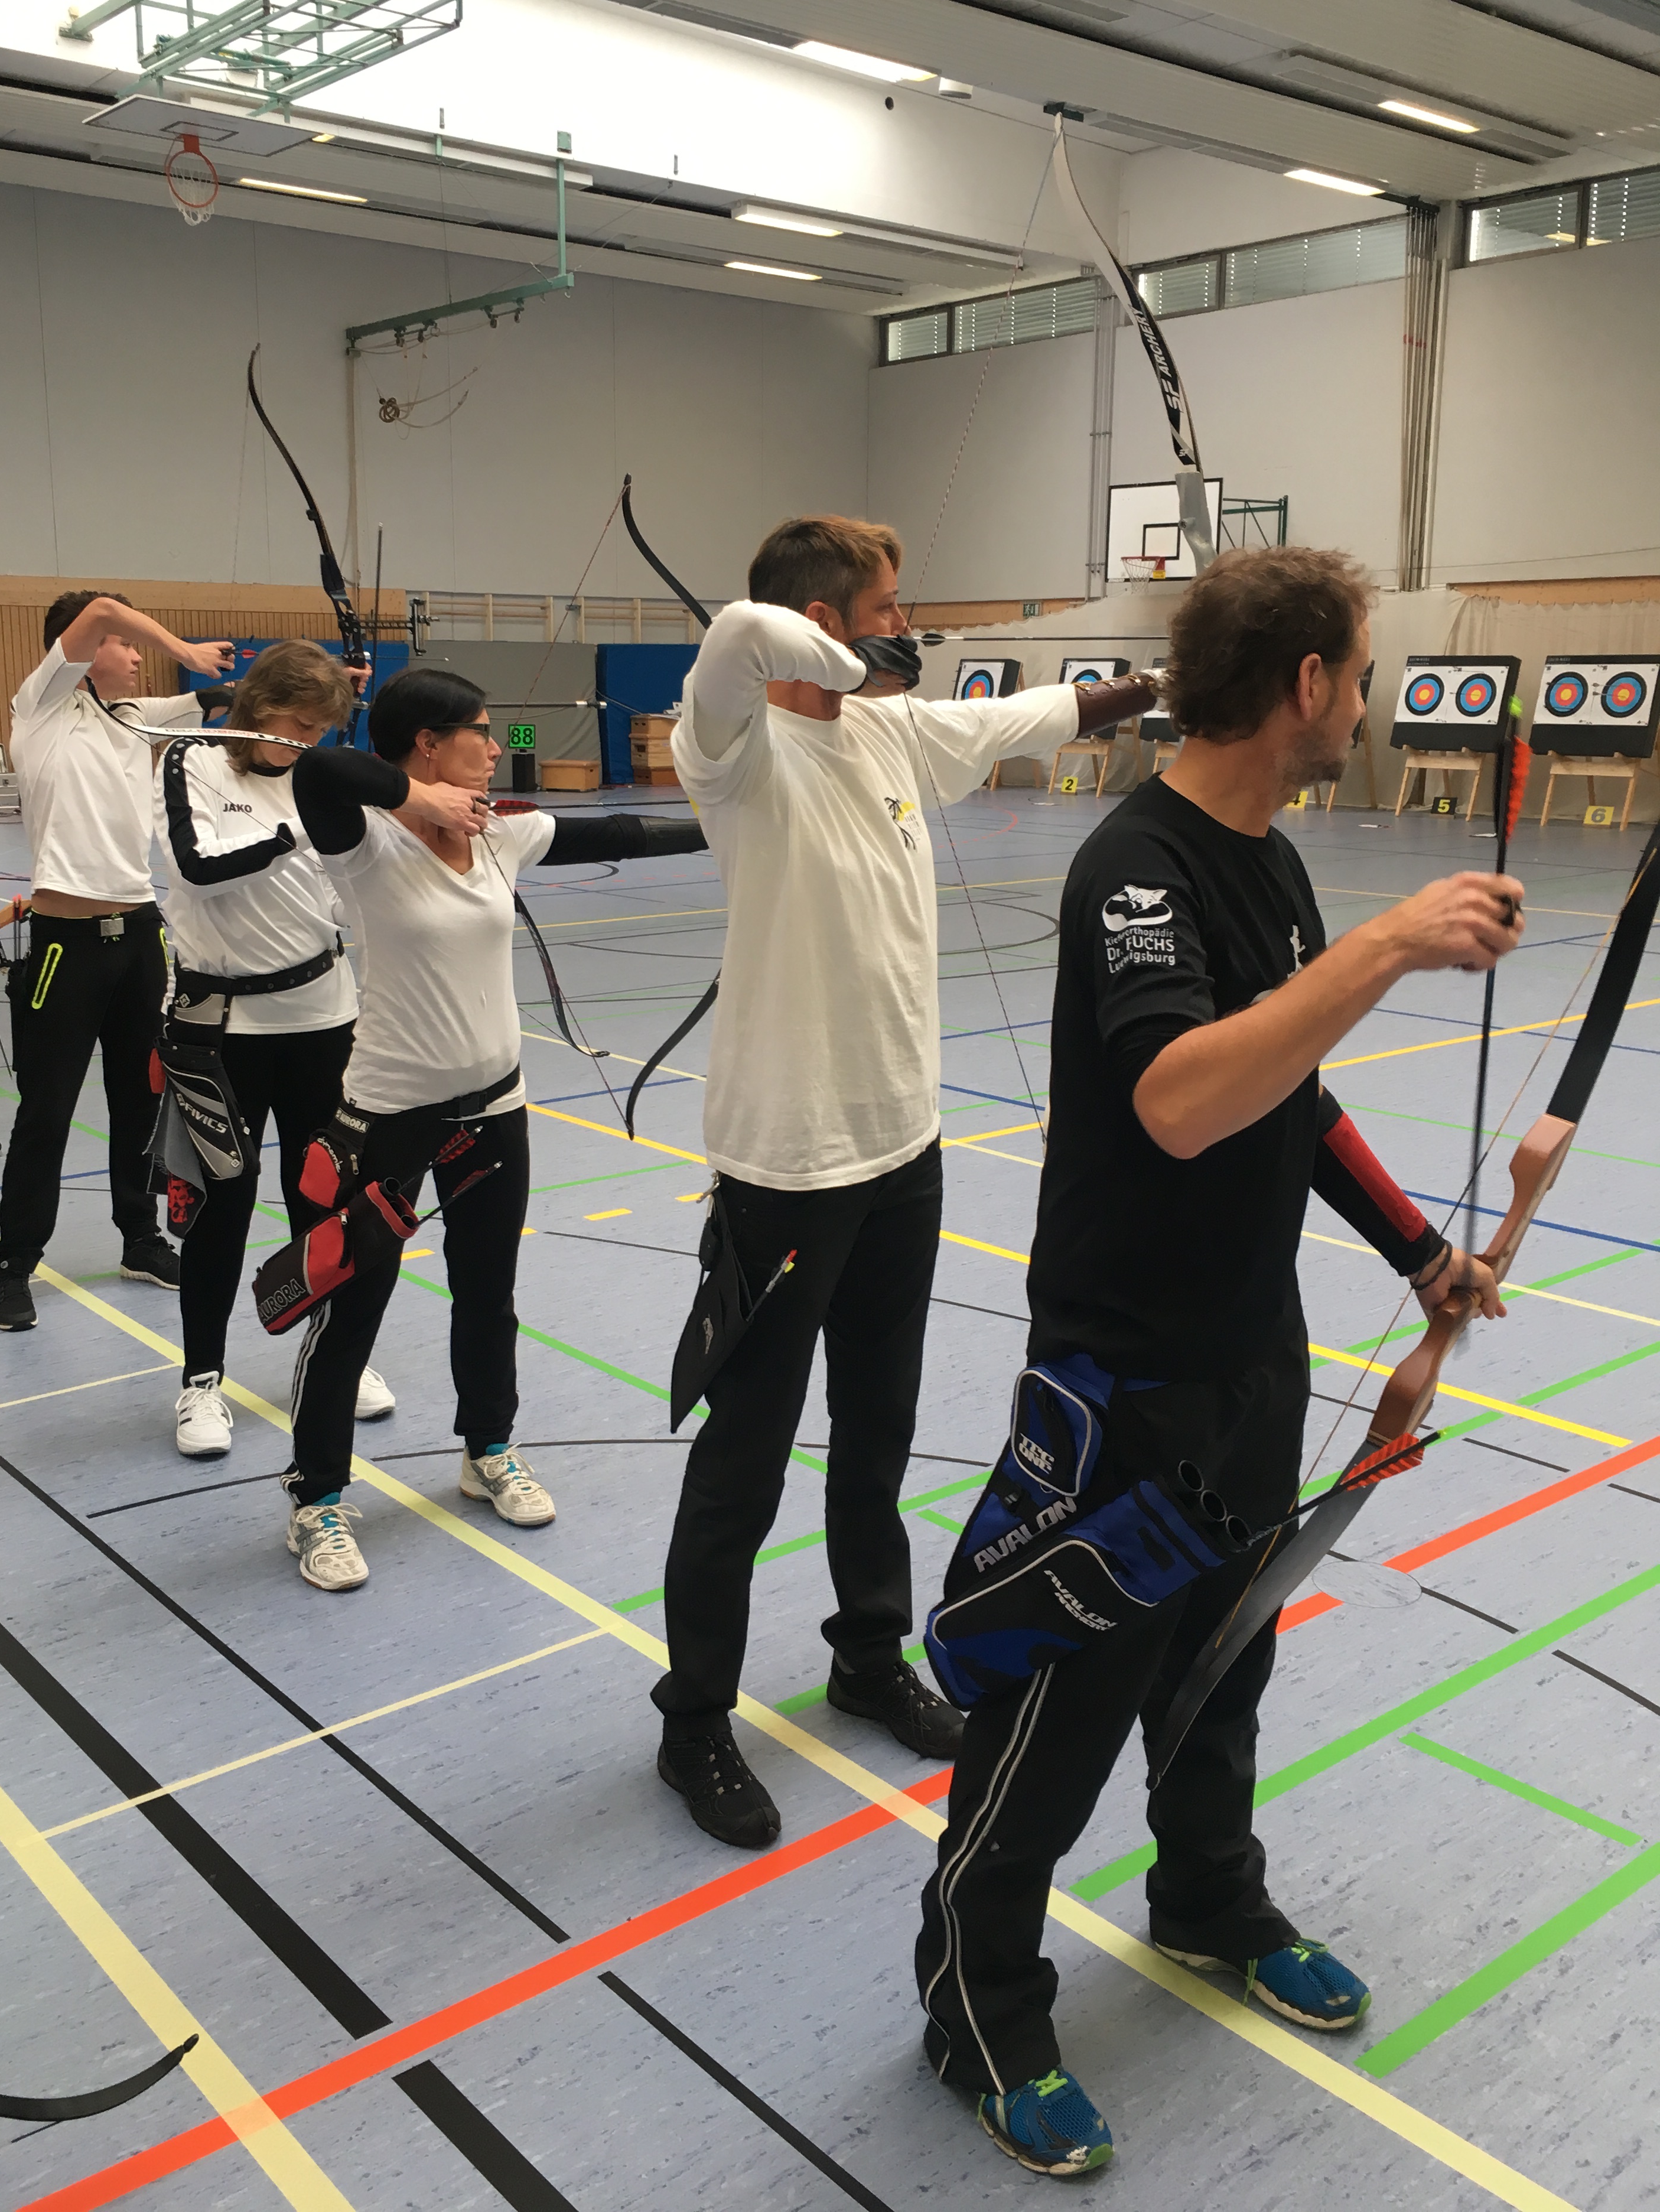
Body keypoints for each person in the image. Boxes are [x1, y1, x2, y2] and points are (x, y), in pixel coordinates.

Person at [913, 545, 1525, 2178]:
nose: (1367, 700)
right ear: (1307, 684)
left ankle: (1204, 1900)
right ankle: (977, 2000)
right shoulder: (1138, 865)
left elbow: (1290, 1094)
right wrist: (1386, 948)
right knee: (1059, 1706)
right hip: (1126, 1378)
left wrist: (1420, 1254)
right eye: (1361, 671)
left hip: (1255, 1352)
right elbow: (1183, 1098)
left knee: (1221, 1669)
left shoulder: (1273, 860)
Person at [650, 515, 1158, 1851]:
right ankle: (693, 1719)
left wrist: (1164, 682)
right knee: (744, 1461)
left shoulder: (892, 737)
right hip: (785, 1167)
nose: (908, 626)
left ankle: (868, 1657)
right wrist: (847, 657)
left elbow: (1043, 713)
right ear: (829, 620)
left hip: (900, 1151)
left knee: (876, 1430)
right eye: (889, 606)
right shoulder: (737, 751)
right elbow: (737, 634)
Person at [279, 669, 707, 1592]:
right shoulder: (365, 841)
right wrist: (415, 798)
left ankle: (488, 1450)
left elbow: (620, 833)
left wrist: (733, 824)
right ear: (427, 744)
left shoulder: (499, 834)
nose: (495, 743)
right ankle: (317, 1499)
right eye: (479, 730)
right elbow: (318, 770)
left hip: (495, 1113)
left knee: (487, 1295)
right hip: (389, 1117)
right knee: (351, 1306)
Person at [154, 638, 402, 1461]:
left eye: (321, 731)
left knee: (324, 1198)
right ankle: (202, 1380)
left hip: (324, 1016)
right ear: (257, 708)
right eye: (297, 726)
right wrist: (303, 829)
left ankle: (334, 1357)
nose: (307, 743)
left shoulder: (318, 772)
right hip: (222, 1028)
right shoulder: (193, 760)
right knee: (221, 1207)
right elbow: (199, 866)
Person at [0, 593, 235, 1332]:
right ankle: (15, 1262)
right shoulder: (39, 708)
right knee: (47, 1112)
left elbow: (232, 700)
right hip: (66, 946)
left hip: (140, 937)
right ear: (85, 648)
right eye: (126, 642)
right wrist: (185, 650)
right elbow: (99, 609)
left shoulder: (135, 717)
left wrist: (326, 677)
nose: (135, 654)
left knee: (140, 1099)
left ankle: (140, 1238)